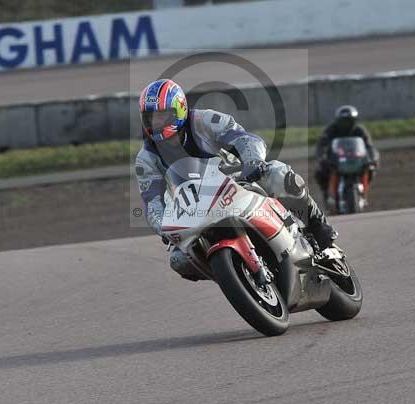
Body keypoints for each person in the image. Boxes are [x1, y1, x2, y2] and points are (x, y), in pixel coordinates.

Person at [134, 79, 338, 280]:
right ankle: (233, 273)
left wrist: (253, 161)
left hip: (237, 181)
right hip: (195, 207)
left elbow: (244, 138)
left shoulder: (204, 121)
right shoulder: (146, 159)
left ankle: (319, 229)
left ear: (179, 110)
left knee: (279, 176)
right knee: (179, 259)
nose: (156, 123)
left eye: (161, 115)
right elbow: (152, 201)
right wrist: (163, 226)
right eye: (150, 117)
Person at [314, 105, 380, 205]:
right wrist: (322, 157)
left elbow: (369, 146)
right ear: (338, 121)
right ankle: (327, 195)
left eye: (349, 121)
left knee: (370, 168)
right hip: (336, 160)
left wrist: (373, 157)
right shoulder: (331, 130)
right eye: (343, 122)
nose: (346, 124)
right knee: (320, 171)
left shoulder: (360, 131)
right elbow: (322, 145)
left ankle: (363, 192)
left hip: (356, 159)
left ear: (354, 121)